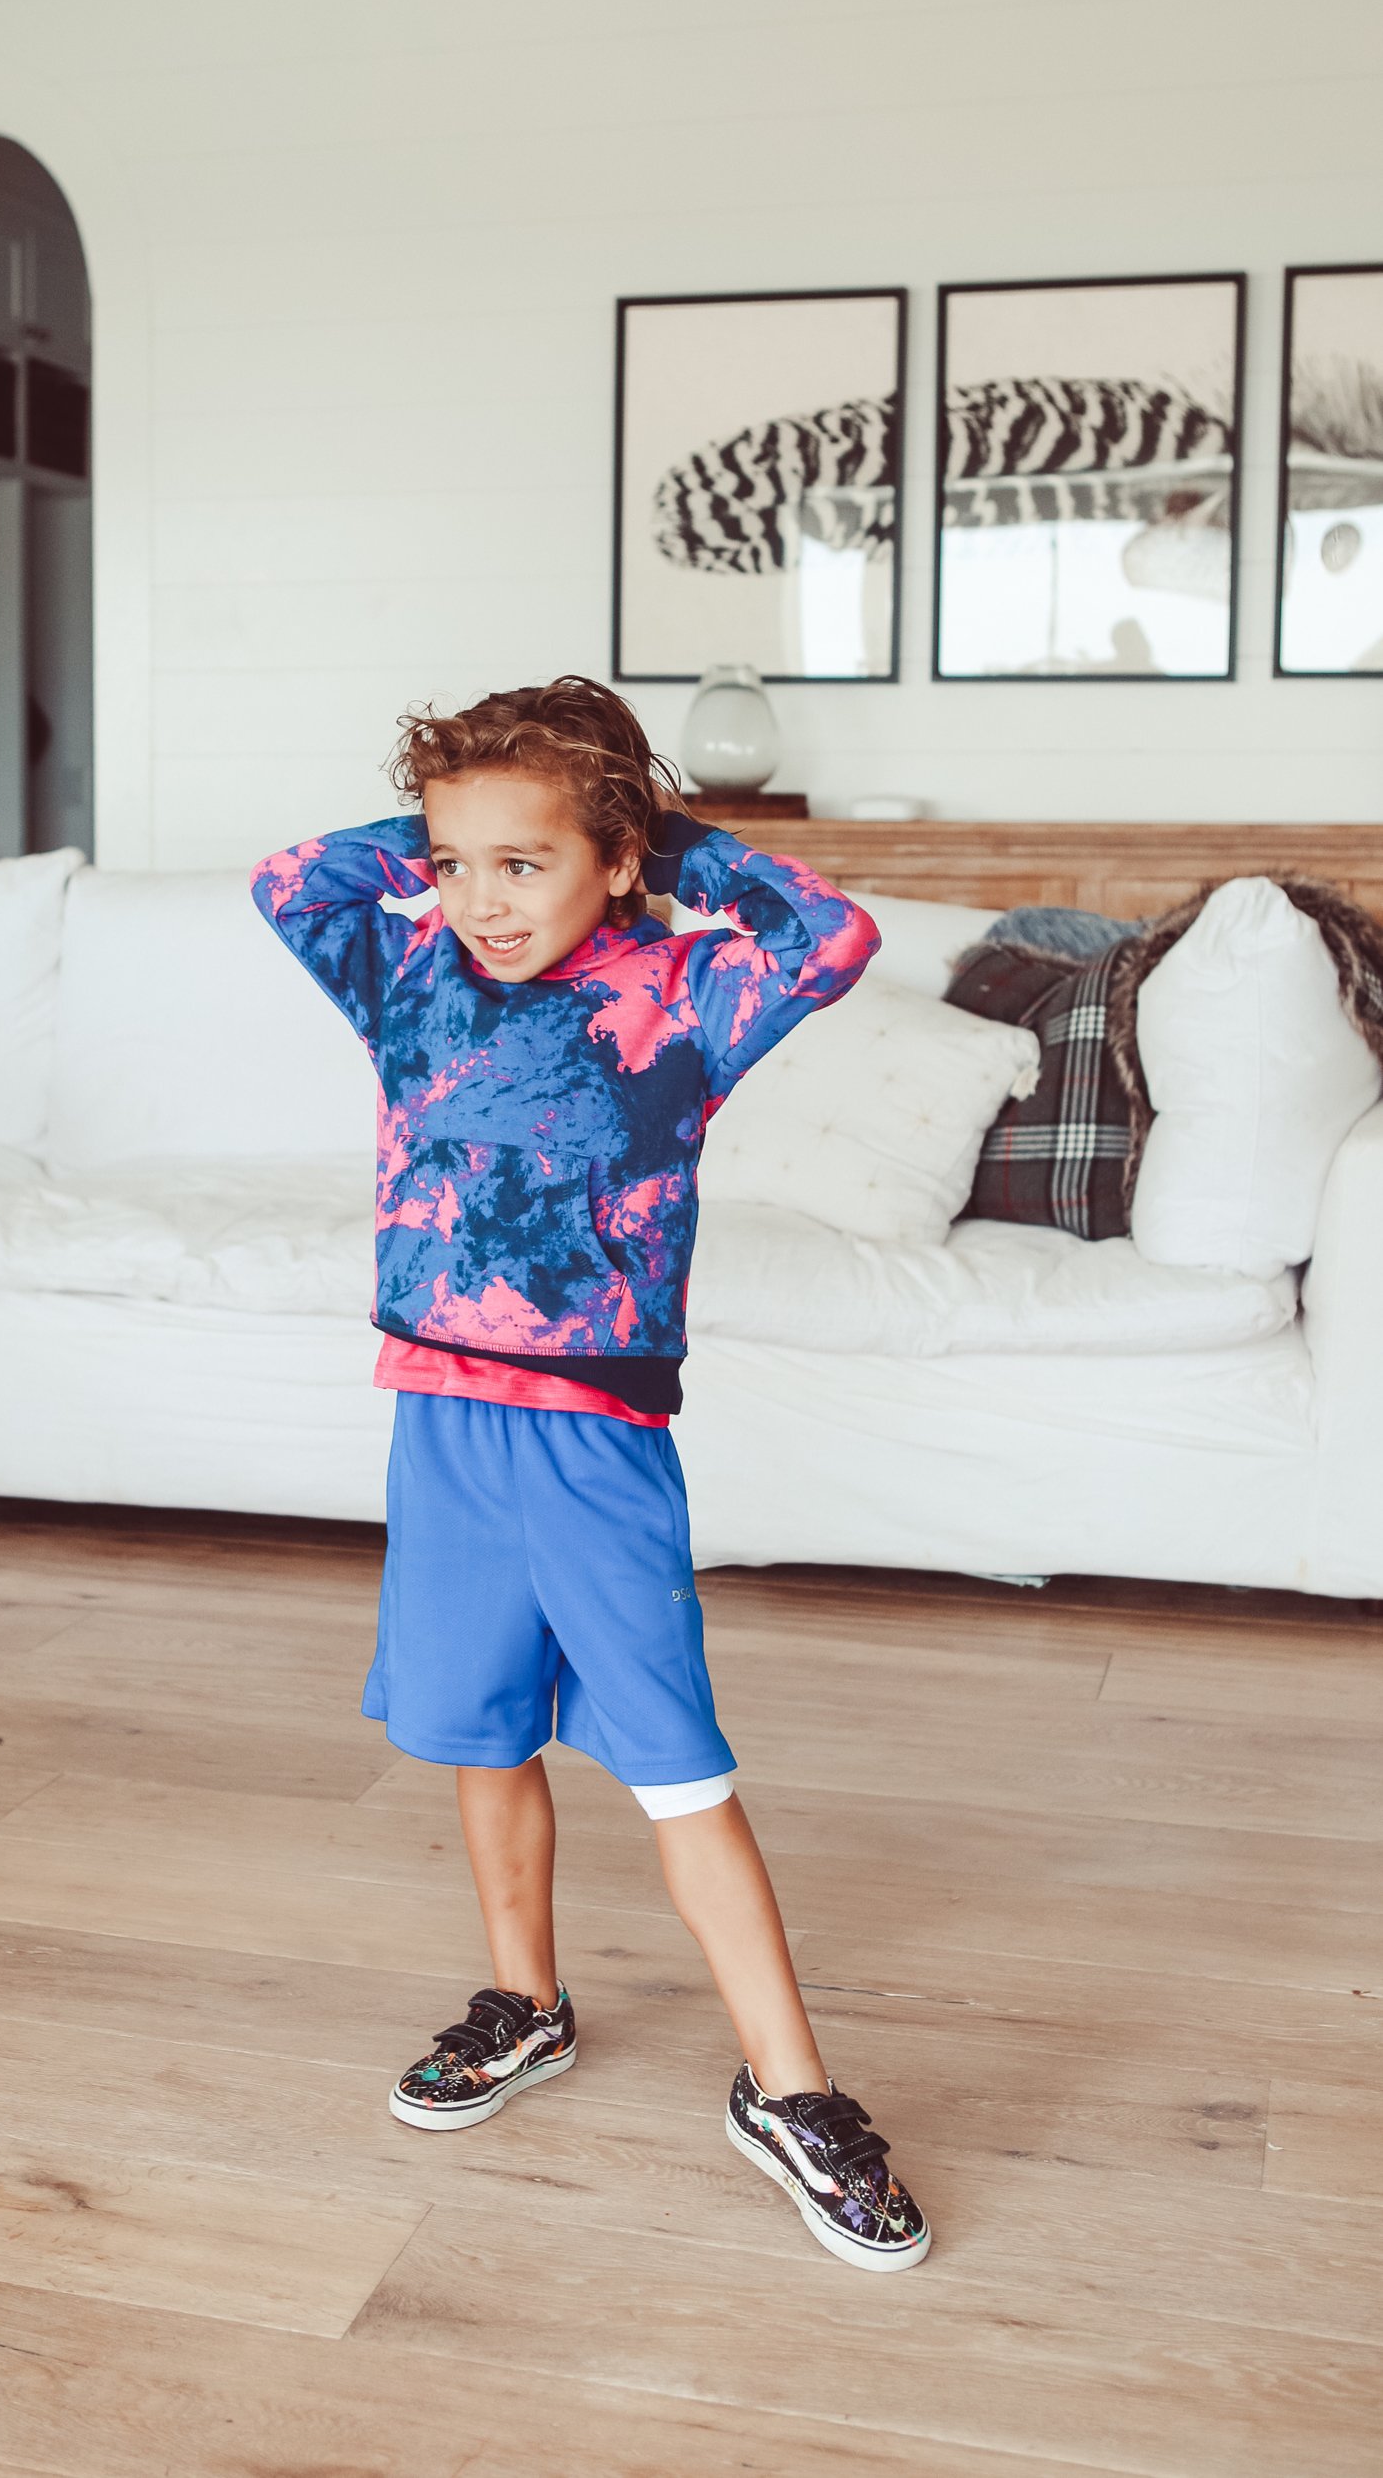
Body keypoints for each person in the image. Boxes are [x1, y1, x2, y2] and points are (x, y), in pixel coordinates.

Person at [251, 675, 930, 2273]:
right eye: (456, 859)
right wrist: (471, 826)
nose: (482, 898)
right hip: (439, 1418)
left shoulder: (689, 990)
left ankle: (791, 2088)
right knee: (480, 1733)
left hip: (592, 1440)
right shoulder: (407, 961)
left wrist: (650, 832)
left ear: (617, 858)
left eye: (524, 862)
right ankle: (527, 2002)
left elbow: (833, 935)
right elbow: (294, 880)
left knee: (676, 1762)